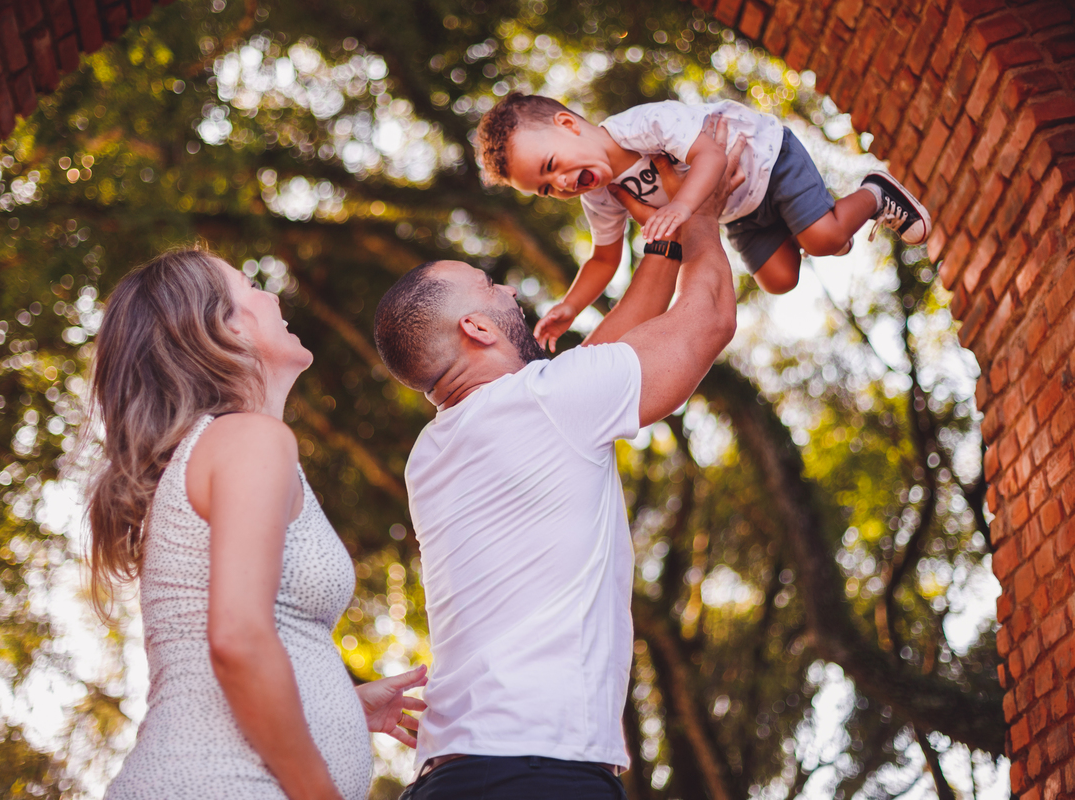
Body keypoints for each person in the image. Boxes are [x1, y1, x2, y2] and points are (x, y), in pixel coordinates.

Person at [372, 120, 743, 799]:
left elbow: (602, 360)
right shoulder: (547, 405)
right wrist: (702, 213)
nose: (512, 293)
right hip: (537, 773)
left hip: (446, 777)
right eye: (492, 288)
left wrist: (653, 223)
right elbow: (711, 317)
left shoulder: (438, 450)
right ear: (477, 328)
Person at [85, 248, 427, 800]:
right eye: (249, 285)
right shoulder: (247, 439)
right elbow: (239, 640)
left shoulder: (225, 448)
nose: (271, 295)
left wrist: (340, 707)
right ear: (221, 326)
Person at [474, 92, 932, 349]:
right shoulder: (601, 196)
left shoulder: (642, 124)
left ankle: (873, 194)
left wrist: (680, 207)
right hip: (739, 209)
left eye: (553, 164)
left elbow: (709, 154)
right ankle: (822, 225)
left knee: (823, 238)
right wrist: (569, 308)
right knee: (778, 279)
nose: (562, 183)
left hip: (766, 161)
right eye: (546, 188)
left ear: (568, 124)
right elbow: (603, 257)